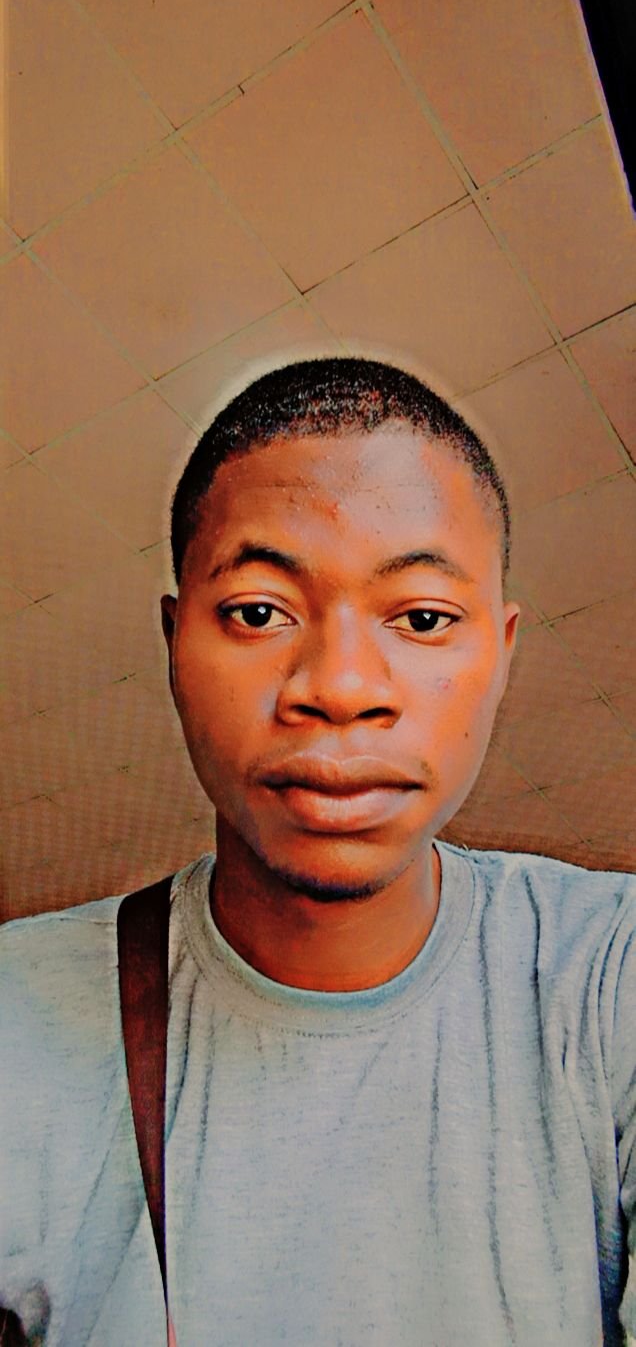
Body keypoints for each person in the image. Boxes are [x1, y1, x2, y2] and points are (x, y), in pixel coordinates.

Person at [0, 357, 634, 1347]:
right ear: (174, 644)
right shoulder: (17, 1014)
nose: (340, 686)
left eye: (422, 618)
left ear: (502, 653)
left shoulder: (610, 975)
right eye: (258, 611)